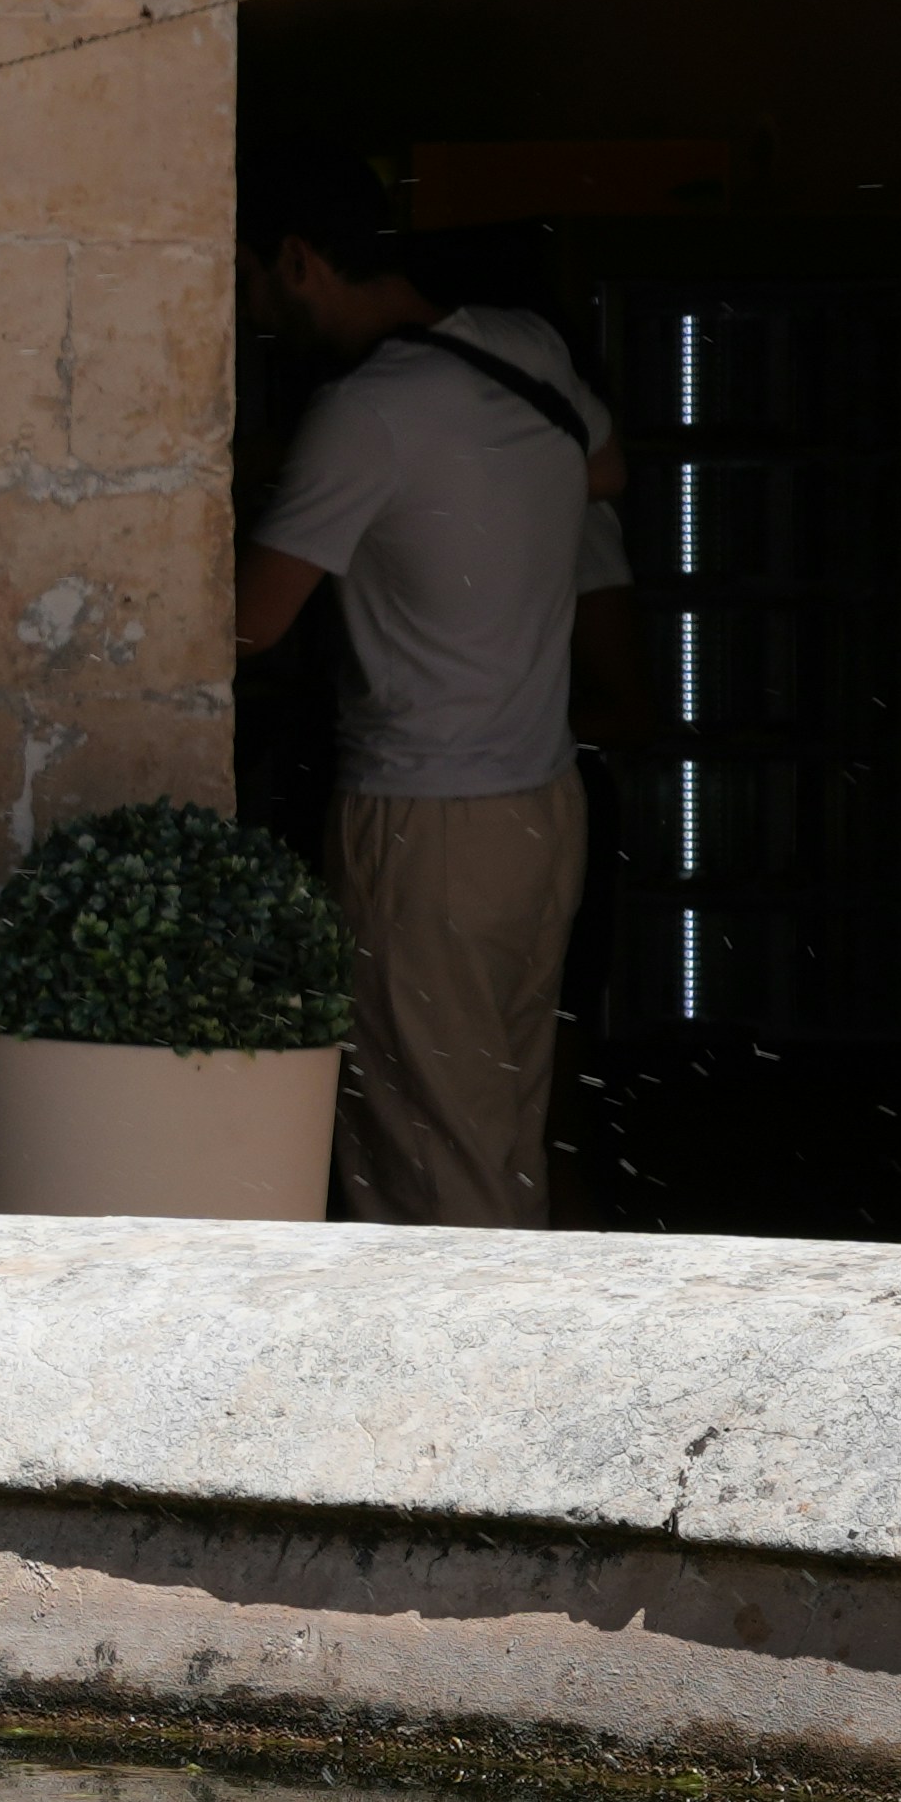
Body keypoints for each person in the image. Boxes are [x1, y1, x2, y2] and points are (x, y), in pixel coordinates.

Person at [235, 160, 639, 1226]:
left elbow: (248, 621)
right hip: (543, 812)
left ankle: (470, 1389)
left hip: (425, 823)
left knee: (423, 1149)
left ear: (299, 262)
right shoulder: (529, 351)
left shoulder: (367, 414)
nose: (247, 310)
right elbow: (606, 472)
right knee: (501, 1133)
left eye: (248, 282)